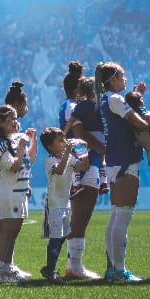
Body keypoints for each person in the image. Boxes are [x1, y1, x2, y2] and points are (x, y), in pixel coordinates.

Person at [98, 62, 150, 283]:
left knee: (116, 214)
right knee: (124, 214)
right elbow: (139, 123)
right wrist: (146, 115)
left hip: (113, 159)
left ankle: (113, 268)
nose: (125, 79)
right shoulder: (115, 98)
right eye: (121, 75)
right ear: (111, 79)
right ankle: (119, 271)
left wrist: (137, 96)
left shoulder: (107, 99)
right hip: (124, 159)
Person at [61, 71, 104, 280]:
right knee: (80, 216)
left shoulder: (76, 106)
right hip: (85, 161)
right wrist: (104, 149)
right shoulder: (75, 106)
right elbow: (78, 133)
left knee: (80, 217)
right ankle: (74, 267)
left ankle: (75, 266)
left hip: (87, 160)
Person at [0, 105, 35, 283]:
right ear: (0, 123)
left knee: (13, 232)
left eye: (16, 118)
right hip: (8, 191)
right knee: (6, 232)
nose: (16, 122)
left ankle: (8, 269)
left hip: (20, 191)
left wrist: (32, 141)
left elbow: (28, 160)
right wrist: (22, 146)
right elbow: (13, 166)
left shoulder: (15, 139)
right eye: (11, 119)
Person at [40, 128, 82, 282]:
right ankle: (50, 269)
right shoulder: (50, 160)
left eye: (64, 139)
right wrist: (69, 154)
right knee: (56, 237)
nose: (64, 142)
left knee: (62, 236)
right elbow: (59, 170)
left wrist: (85, 150)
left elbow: (83, 166)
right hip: (54, 204)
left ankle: (49, 268)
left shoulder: (69, 156)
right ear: (50, 147)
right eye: (60, 140)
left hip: (65, 203)